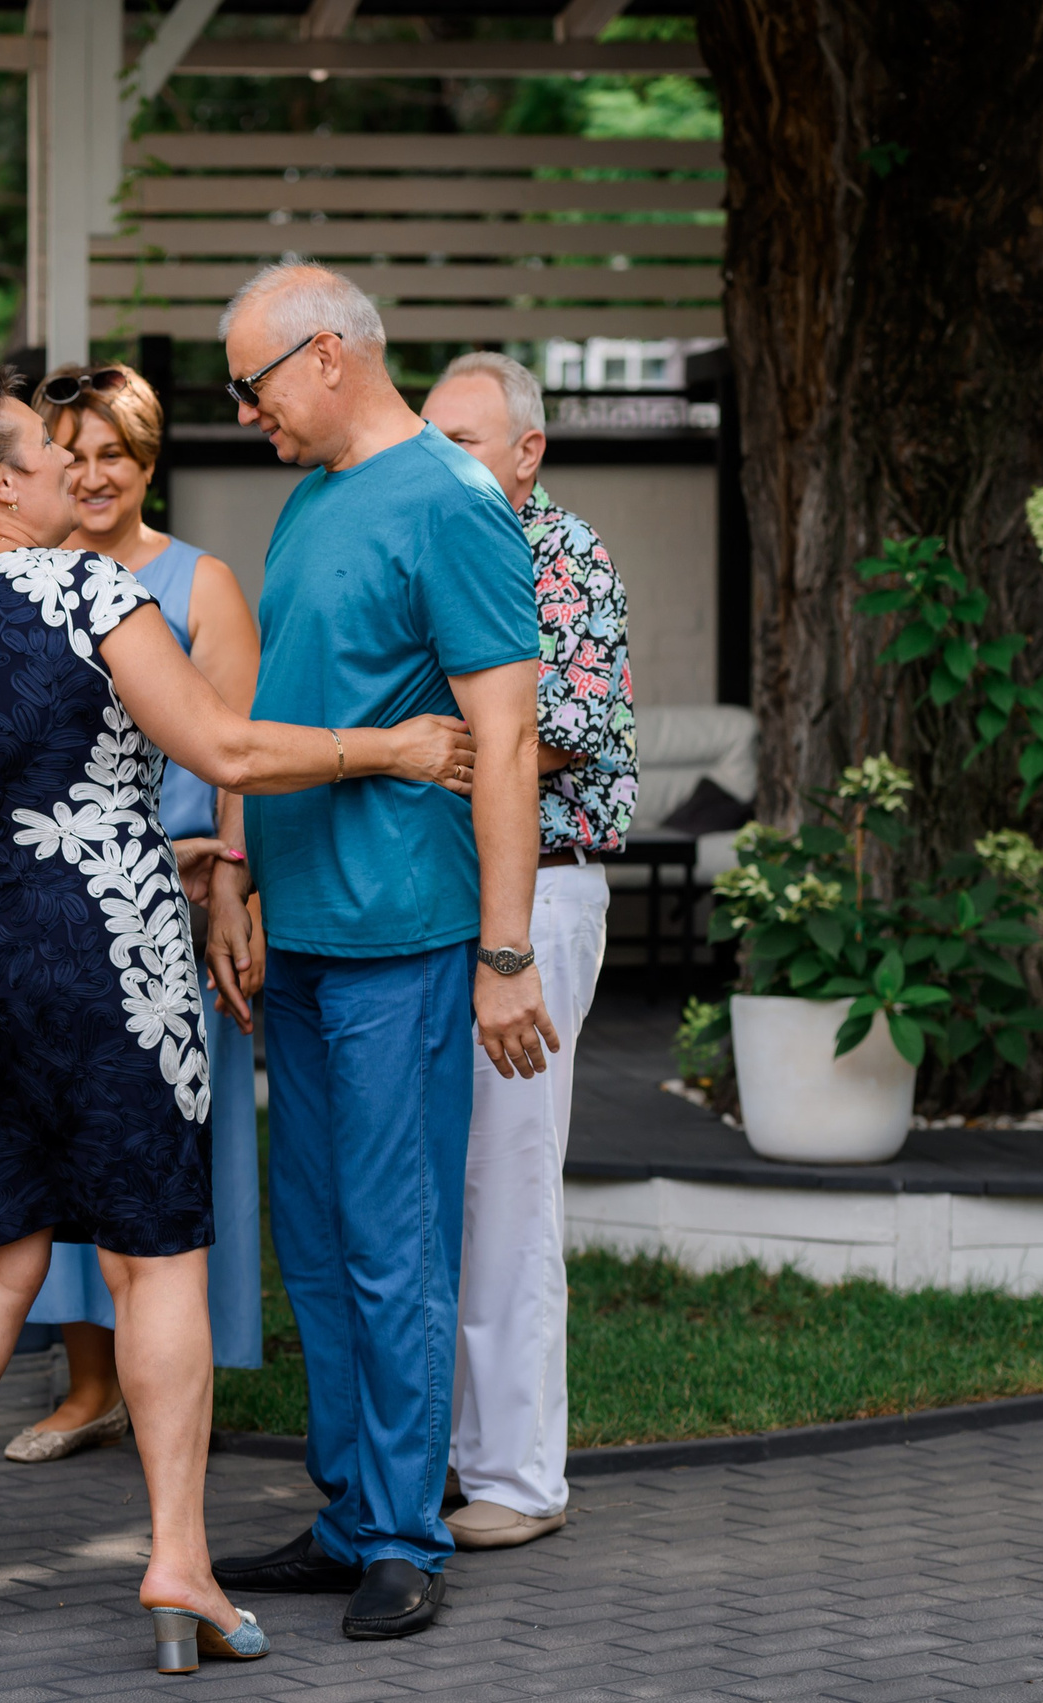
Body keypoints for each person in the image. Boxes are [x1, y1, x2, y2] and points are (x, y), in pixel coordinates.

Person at [0, 364, 476, 1672]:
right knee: (154, 1252)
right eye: (42, 449)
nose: (71, 473)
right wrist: (400, 749)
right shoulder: (95, 587)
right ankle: (180, 1559)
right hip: (99, 945)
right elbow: (227, 749)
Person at [204, 266, 556, 1642]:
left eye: (256, 381)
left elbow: (509, 739)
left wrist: (507, 949)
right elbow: (273, 705)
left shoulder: (454, 506)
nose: (246, 411)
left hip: (407, 931)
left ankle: (407, 1530)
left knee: (395, 1239)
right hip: (299, 931)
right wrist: (236, 871)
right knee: (322, 1235)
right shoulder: (310, 503)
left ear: (332, 354)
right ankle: (352, 1507)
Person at [2, 362, 267, 1465]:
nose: (95, 472)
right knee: (60, 1140)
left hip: (175, 896)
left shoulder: (199, 582)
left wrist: (234, 885)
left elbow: (239, 747)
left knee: (163, 1146)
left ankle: (173, 1382)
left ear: (149, 460)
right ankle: (88, 1382)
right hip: (51, 907)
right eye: (75, 453)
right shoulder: (22, 576)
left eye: (116, 451)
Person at [422, 352, 637, 1549]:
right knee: (451, 1187)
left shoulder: (563, 554)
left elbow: (562, 730)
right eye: (432, 438)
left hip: (539, 900)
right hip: (448, 900)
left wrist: (413, 747)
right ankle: (459, 1454)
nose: (445, 460)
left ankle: (518, 1477)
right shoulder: (448, 538)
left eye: (466, 439)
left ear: (526, 450)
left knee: (508, 1184)